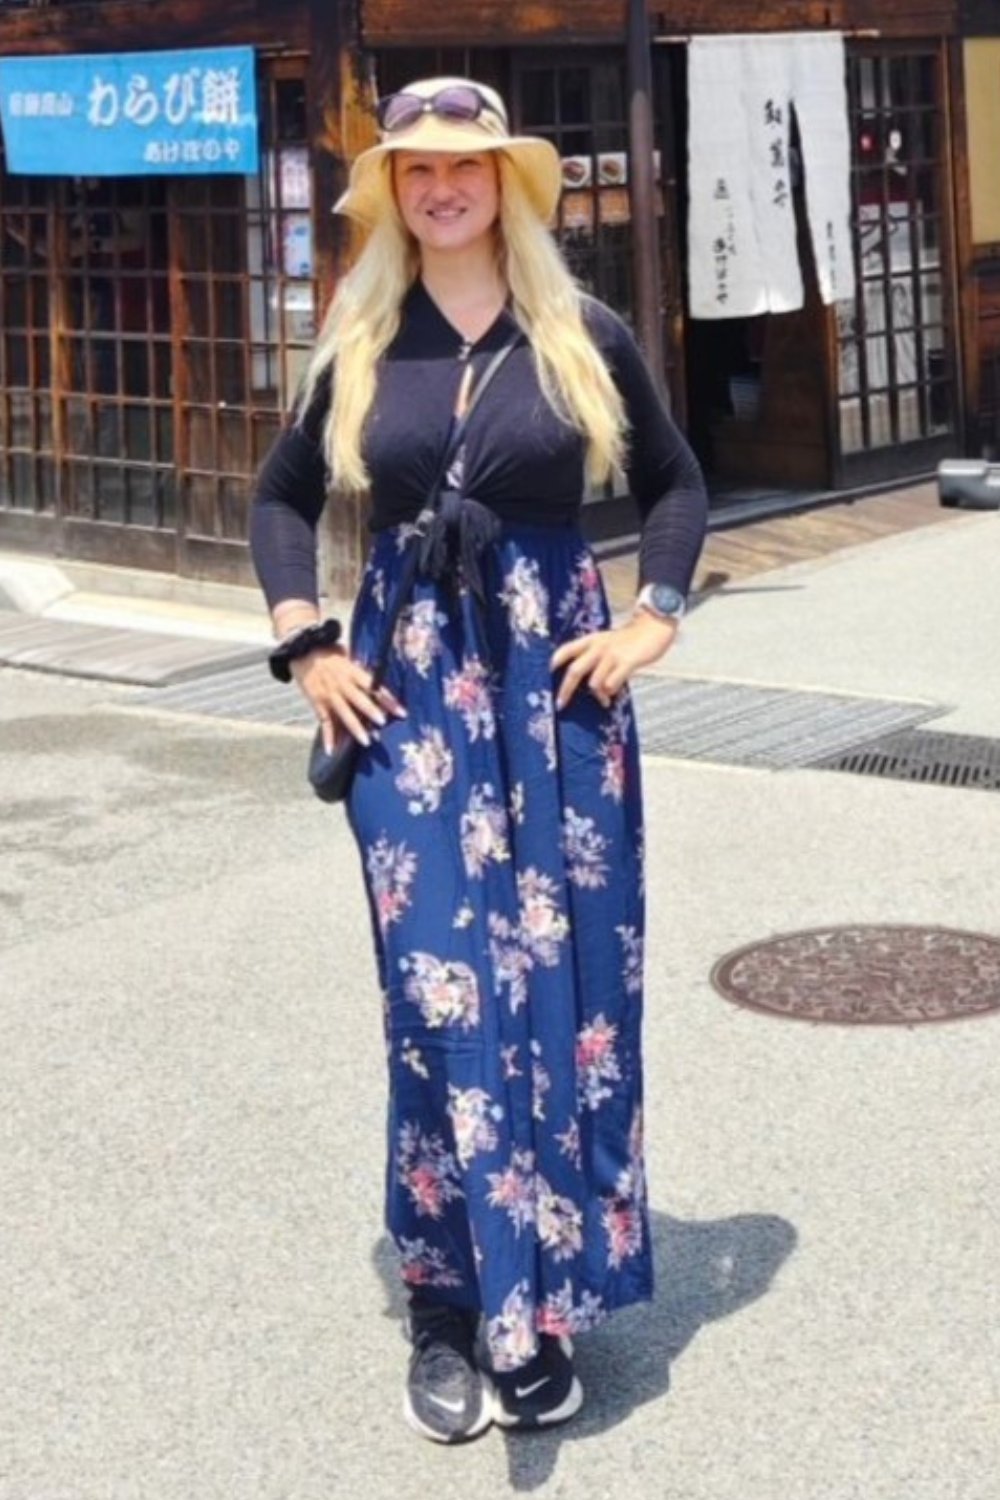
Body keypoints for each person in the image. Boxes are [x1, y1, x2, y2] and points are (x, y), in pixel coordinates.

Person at [250, 76, 708, 1444]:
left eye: (466, 165)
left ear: (506, 183)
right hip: (408, 708)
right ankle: (454, 1301)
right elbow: (280, 500)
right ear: (392, 193)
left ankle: (547, 1293)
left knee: (564, 991)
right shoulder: (362, 335)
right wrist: (308, 648)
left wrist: (651, 621)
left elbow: (678, 483)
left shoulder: (583, 332)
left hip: (555, 699)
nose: (442, 186)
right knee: (442, 992)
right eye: (417, 169)